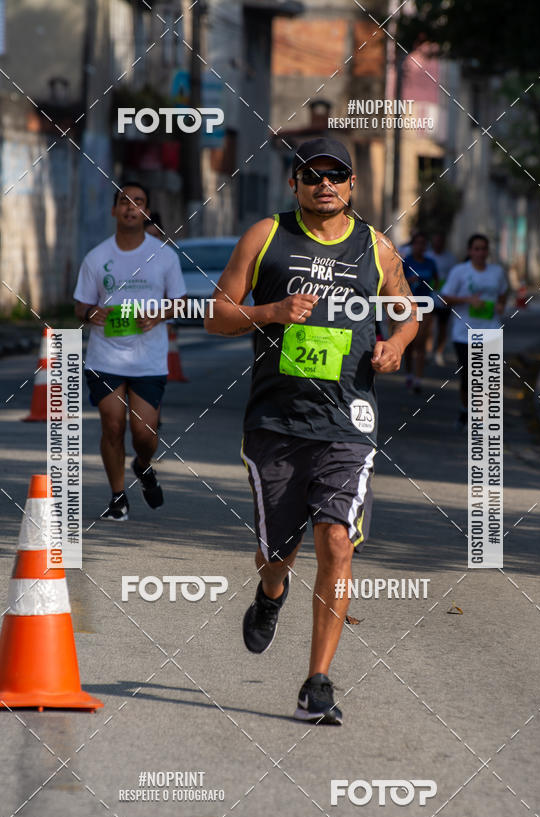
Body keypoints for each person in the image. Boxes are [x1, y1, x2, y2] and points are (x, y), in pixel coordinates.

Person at [205, 137, 418, 725]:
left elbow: (406, 311)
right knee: (279, 552)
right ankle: (271, 592)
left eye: (336, 175)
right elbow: (217, 313)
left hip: (348, 420)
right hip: (275, 419)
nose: (325, 184)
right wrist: (270, 313)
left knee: (336, 541)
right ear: (295, 183)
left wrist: (395, 345)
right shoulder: (266, 236)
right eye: (312, 174)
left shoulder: (375, 247)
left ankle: (317, 681)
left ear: (352, 186)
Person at [74, 182, 187, 520]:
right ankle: (117, 497)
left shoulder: (164, 255)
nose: (131, 207)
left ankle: (143, 464)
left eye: (138, 201)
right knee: (112, 425)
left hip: (148, 359)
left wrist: (159, 315)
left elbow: (179, 302)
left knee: (144, 434)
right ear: (114, 211)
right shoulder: (97, 257)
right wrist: (92, 313)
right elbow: (81, 304)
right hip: (105, 356)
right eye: (124, 201)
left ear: (146, 212)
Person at [441, 233, 509, 431]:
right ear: (470, 251)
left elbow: (504, 292)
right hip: (464, 333)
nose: (480, 253)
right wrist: (468, 301)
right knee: (469, 377)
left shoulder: (496, 272)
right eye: (476, 249)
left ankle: (481, 417)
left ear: (488, 252)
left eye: (484, 249)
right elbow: (445, 298)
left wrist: (501, 305)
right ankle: (465, 409)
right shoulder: (460, 271)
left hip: (491, 329)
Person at [402, 232, 437, 393]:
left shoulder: (431, 262)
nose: (420, 246)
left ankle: (418, 379)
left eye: (423, 243)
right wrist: (410, 281)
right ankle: (409, 374)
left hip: (426, 305)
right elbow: (396, 282)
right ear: (413, 245)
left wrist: (433, 287)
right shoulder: (406, 261)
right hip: (407, 306)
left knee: (420, 342)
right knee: (408, 344)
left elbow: (437, 281)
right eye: (417, 243)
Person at [426, 231, 457, 364]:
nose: (438, 244)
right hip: (430, 296)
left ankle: (438, 352)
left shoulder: (451, 258)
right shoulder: (428, 256)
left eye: (440, 241)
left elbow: (454, 278)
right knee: (429, 326)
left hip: (445, 298)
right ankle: (428, 352)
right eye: (436, 241)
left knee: (443, 328)